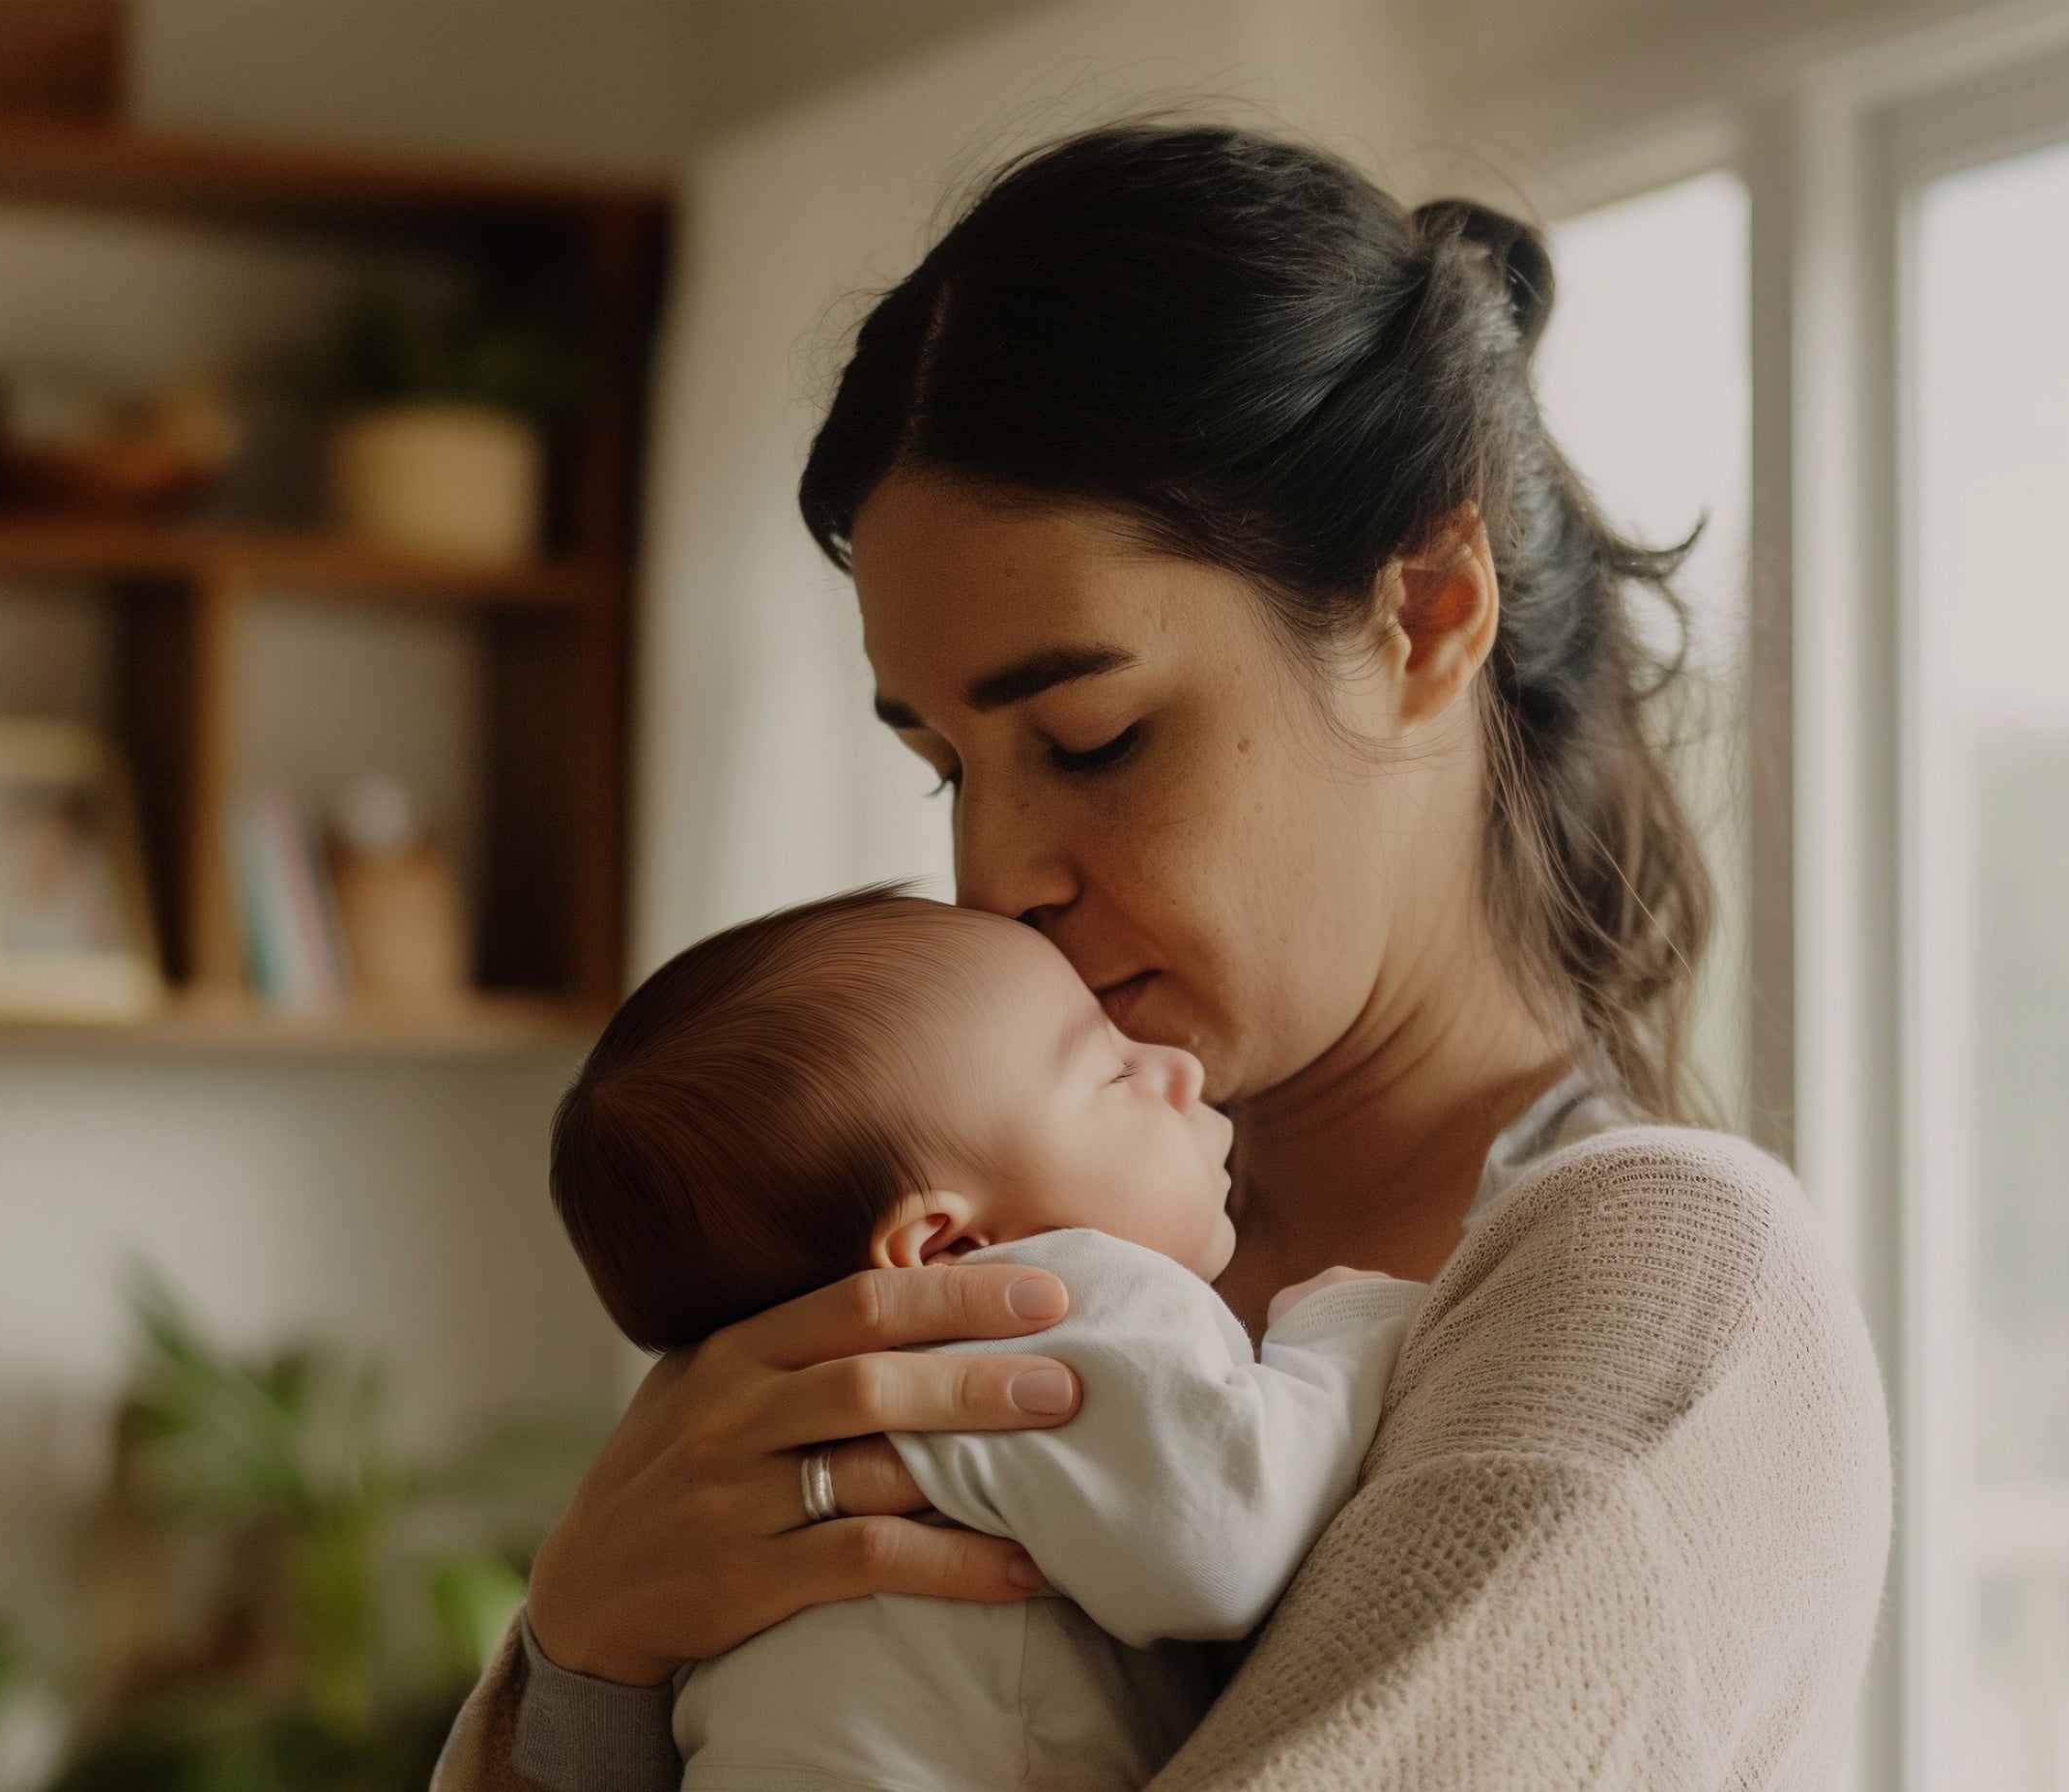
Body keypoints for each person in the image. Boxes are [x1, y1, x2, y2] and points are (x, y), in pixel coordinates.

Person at [439, 122, 1891, 1789]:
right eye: (942, 765)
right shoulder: (1005, 1220)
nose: (992, 879)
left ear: (1427, 607)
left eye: (1095, 733)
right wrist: (587, 1647)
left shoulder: (1671, 1282)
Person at [548, 886, 1425, 1790]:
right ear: (950, 1249)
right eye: (1117, 1074)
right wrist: (1340, 1329)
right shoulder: (1054, 1299)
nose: (1180, 1070)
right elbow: (1224, 1540)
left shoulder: (758, 1429)